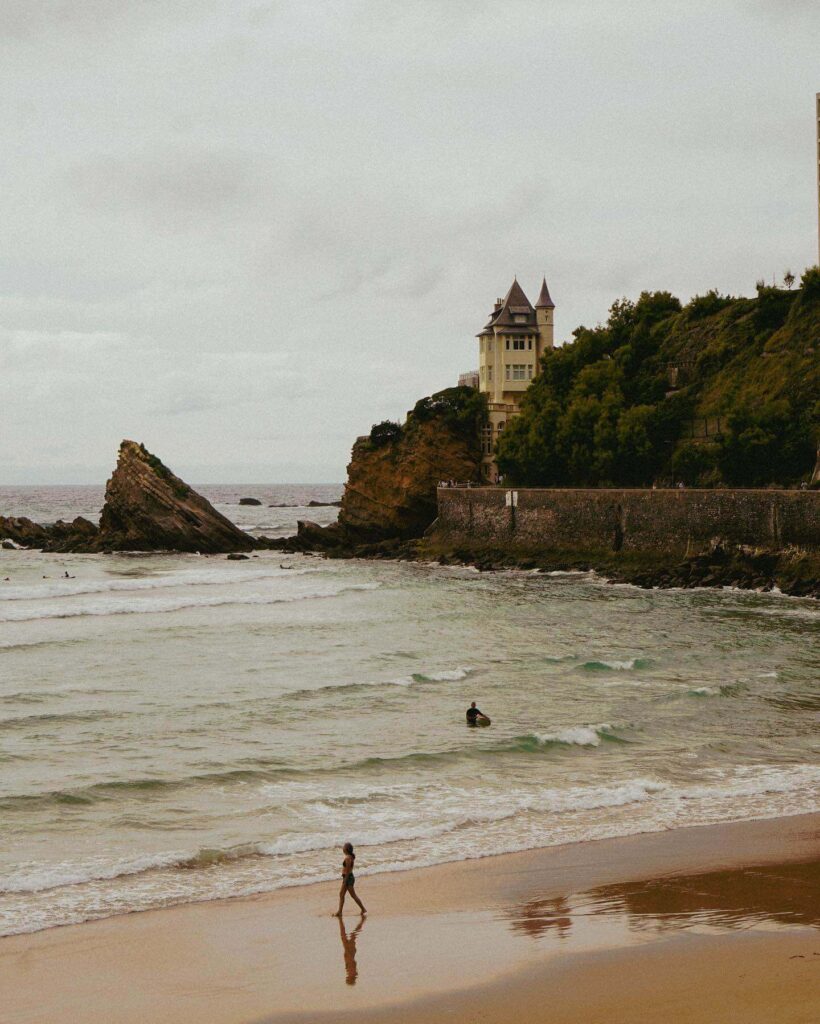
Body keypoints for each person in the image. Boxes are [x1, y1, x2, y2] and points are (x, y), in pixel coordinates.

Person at [334, 841, 366, 917]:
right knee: (342, 894)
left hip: (348, 878)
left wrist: (345, 880)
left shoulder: (348, 858)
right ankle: (340, 912)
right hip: (348, 877)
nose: (342, 848)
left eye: (344, 847)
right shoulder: (350, 857)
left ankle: (363, 909)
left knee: (352, 895)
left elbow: (348, 870)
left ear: (346, 849)